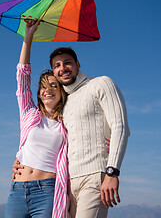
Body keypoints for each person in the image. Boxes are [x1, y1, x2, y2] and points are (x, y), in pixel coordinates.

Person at [13, 30, 130, 218]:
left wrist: (112, 172)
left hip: (95, 176)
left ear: (77, 64)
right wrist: (22, 157)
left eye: (67, 62)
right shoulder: (64, 105)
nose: (63, 68)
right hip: (66, 184)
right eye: (57, 65)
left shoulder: (100, 83)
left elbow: (120, 127)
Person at [5, 19, 70, 218]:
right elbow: (22, 76)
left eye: (53, 85)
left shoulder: (67, 122)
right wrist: (28, 37)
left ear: (61, 92)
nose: (48, 90)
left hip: (47, 192)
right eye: (43, 86)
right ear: (39, 93)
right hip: (17, 190)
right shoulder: (29, 114)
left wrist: (107, 141)